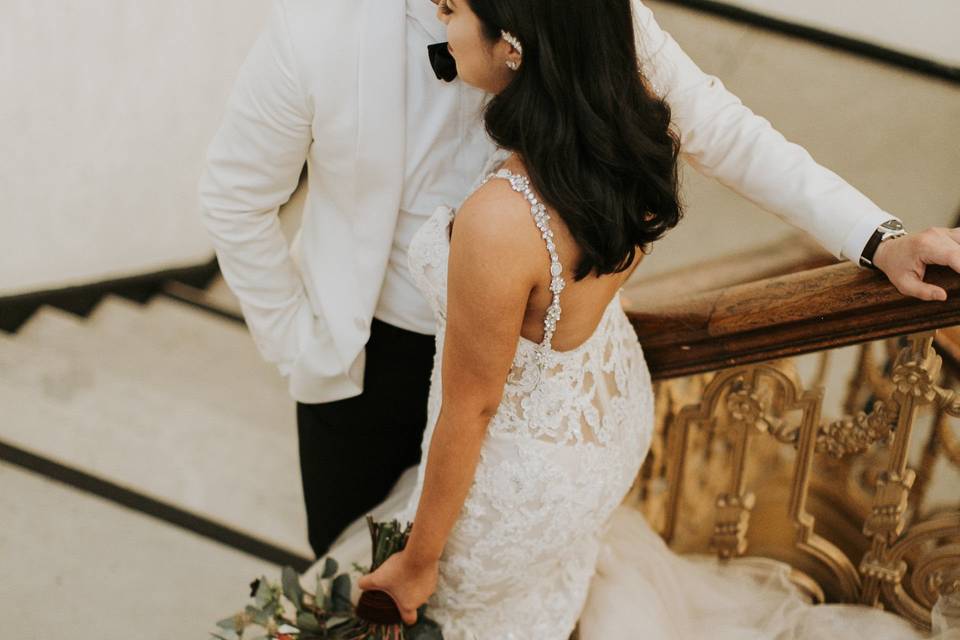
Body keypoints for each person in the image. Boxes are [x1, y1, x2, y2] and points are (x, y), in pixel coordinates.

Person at [198, 0, 960, 636]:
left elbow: (723, 130)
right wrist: (299, 344)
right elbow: (234, 197)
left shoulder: (577, 8)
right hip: (366, 361)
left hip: (522, 383)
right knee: (361, 595)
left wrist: (878, 238)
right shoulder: (314, 29)